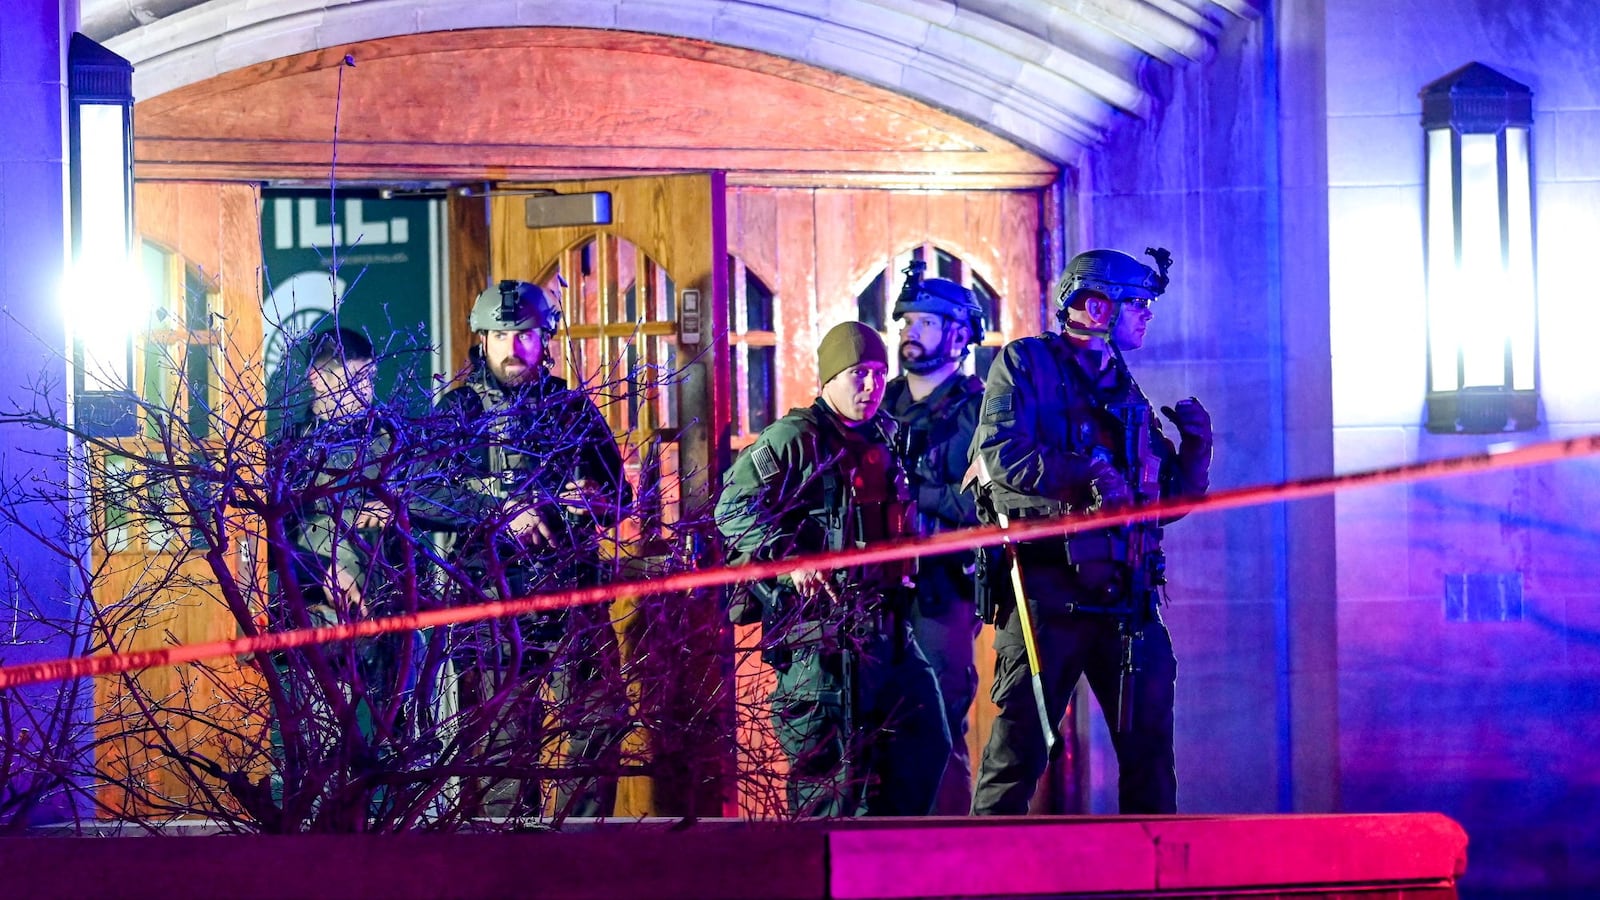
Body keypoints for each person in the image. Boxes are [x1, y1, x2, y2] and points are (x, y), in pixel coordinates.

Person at [969, 248, 1213, 816]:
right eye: (1138, 303)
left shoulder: (1126, 389)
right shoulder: (1027, 364)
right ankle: (979, 881)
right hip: (1049, 599)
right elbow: (1002, 455)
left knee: (1150, 759)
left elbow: (1163, 505)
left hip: (1127, 602)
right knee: (1017, 758)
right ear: (1096, 304)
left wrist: (1196, 450)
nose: (1147, 315)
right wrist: (1087, 475)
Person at [413, 279, 632, 820]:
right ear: (481, 340)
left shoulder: (571, 410)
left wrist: (586, 503)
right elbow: (419, 493)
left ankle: (582, 855)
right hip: (493, 602)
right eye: (502, 334)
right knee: (502, 749)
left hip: (573, 597)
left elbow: (622, 497)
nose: (514, 346)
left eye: (526, 334)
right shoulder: (457, 412)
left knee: (602, 722)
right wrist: (500, 511)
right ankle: (508, 868)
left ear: (545, 339)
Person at [716, 321, 950, 817]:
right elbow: (732, 508)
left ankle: (889, 879)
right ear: (828, 378)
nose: (871, 386)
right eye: (858, 374)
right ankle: (825, 889)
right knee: (832, 788)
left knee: (924, 744)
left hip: (889, 631)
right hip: (821, 639)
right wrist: (790, 558)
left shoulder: (886, 433)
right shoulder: (793, 437)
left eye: (880, 374)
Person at [266, 326, 416, 820]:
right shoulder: (287, 449)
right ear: (314, 379)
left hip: (388, 616)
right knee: (312, 753)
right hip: (316, 617)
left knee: (394, 748)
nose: (359, 393)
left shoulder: (395, 439)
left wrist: (397, 506)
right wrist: (323, 568)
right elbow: (271, 539)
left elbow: (440, 502)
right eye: (346, 381)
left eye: (367, 380)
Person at [881, 267, 987, 815]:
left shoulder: (980, 411)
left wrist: (917, 493)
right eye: (908, 321)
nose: (911, 332)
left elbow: (980, 502)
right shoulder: (876, 402)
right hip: (873, 589)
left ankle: (948, 854)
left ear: (959, 334)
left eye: (927, 321)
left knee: (939, 718)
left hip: (941, 587)